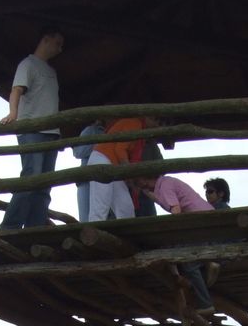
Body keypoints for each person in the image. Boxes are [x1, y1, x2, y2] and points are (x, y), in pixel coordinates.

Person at [0, 29, 65, 229]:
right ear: (45, 39)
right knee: (32, 177)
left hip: (51, 133)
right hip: (32, 130)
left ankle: (35, 228)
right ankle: (10, 227)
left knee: (44, 184)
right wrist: (13, 113)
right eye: (57, 43)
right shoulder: (28, 64)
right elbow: (17, 90)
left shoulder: (52, 72)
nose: (60, 49)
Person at [131, 173, 218, 314]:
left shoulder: (164, 186)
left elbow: (176, 210)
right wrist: (145, 191)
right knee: (183, 257)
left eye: (137, 181)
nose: (137, 184)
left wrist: (170, 233)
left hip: (200, 227)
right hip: (205, 225)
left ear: (146, 178)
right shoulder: (166, 183)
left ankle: (205, 302)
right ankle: (207, 265)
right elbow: (159, 199)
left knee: (186, 262)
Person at [86, 116, 155, 222]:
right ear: (147, 117)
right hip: (102, 158)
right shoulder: (135, 123)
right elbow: (120, 149)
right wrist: (129, 175)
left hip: (113, 164)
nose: (158, 124)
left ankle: (127, 231)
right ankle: (94, 228)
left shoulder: (139, 129)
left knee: (125, 207)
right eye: (156, 120)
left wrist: (130, 178)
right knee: (101, 201)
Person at [71, 120, 105, 221]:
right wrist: (98, 146)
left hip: (103, 179)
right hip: (87, 180)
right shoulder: (91, 130)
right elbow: (78, 152)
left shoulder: (113, 130)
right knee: (86, 218)